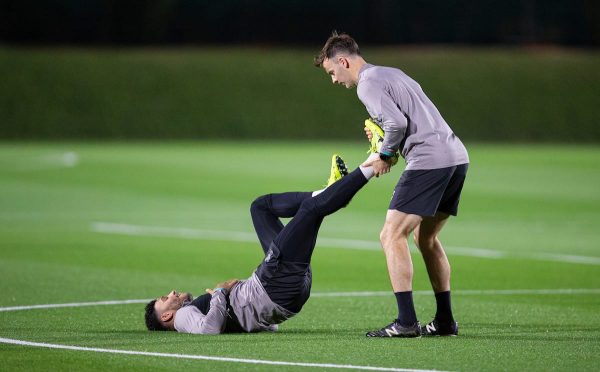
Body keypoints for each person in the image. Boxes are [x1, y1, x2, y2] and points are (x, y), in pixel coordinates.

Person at [314, 32, 470, 337]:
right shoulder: (392, 73)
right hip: (456, 157)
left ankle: (406, 322)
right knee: (425, 240)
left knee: (391, 234)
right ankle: (445, 321)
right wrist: (387, 140)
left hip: (429, 160)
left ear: (343, 61)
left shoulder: (367, 84)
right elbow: (403, 119)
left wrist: (385, 153)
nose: (334, 80)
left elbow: (396, 124)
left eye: (332, 72)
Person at [144, 155, 377, 334]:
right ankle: (376, 161)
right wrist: (220, 291)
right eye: (165, 299)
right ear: (166, 317)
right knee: (309, 210)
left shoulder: (195, 309)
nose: (171, 293)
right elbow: (209, 329)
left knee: (261, 208)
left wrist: (228, 301)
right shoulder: (182, 317)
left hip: (288, 293)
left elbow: (264, 324)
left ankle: (329, 192)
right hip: (274, 283)